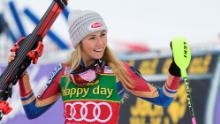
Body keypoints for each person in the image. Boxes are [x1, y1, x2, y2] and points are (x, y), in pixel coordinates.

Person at [8, 10, 181, 124]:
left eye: (103, 35)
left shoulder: (119, 71)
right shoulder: (64, 73)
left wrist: (176, 68)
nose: (100, 43)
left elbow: (164, 99)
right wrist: (22, 75)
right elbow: (32, 110)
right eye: (92, 38)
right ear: (79, 42)